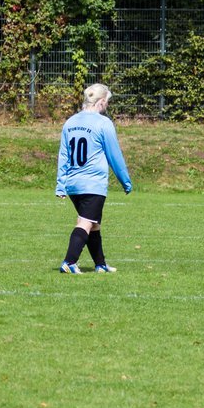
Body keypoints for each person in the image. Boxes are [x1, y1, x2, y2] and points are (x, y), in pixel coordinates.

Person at [56, 83, 133, 273]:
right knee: (85, 223)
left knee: (94, 224)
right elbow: (114, 155)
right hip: (93, 184)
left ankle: (100, 264)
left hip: (73, 184)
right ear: (101, 102)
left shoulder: (70, 122)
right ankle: (69, 262)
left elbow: (63, 156)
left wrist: (60, 185)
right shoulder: (103, 123)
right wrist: (126, 181)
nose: (107, 105)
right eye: (107, 101)